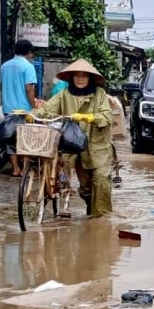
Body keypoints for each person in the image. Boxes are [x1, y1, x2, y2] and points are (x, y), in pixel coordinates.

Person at [36, 59, 114, 218]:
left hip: (98, 146)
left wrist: (90, 117)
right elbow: (47, 110)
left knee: (101, 180)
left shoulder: (99, 94)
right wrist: (32, 115)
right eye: (77, 75)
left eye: (84, 76)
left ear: (90, 78)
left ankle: (101, 221)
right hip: (75, 146)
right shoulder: (64, 94)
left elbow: (107, 116)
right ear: (71, 78)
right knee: (86, 188)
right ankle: (91, 209)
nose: (80, 79)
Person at [0, 39, 43, 176]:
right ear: (29, 52)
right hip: (24, 110)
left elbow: (2, 86)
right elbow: (29, 88)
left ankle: (15, 168)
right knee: (26, 139)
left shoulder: (4, 66)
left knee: (10, 137)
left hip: (8, 108)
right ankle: (24, 168)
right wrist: (34, 105)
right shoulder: (28, 67)